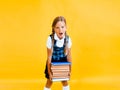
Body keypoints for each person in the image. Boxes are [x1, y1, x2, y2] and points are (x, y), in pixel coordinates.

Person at [44, 16, 72, 90]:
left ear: (66, 28)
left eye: (62, 27)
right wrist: (49, 72)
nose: (60, 30)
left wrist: (69, 70)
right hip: (52, 62)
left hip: (63, 62)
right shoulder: (50, 39)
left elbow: (69, 56)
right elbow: (49, 57)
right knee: (49, 81)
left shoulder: (68, 39)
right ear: (54, 28)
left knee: (65, 81)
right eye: (57, 27)